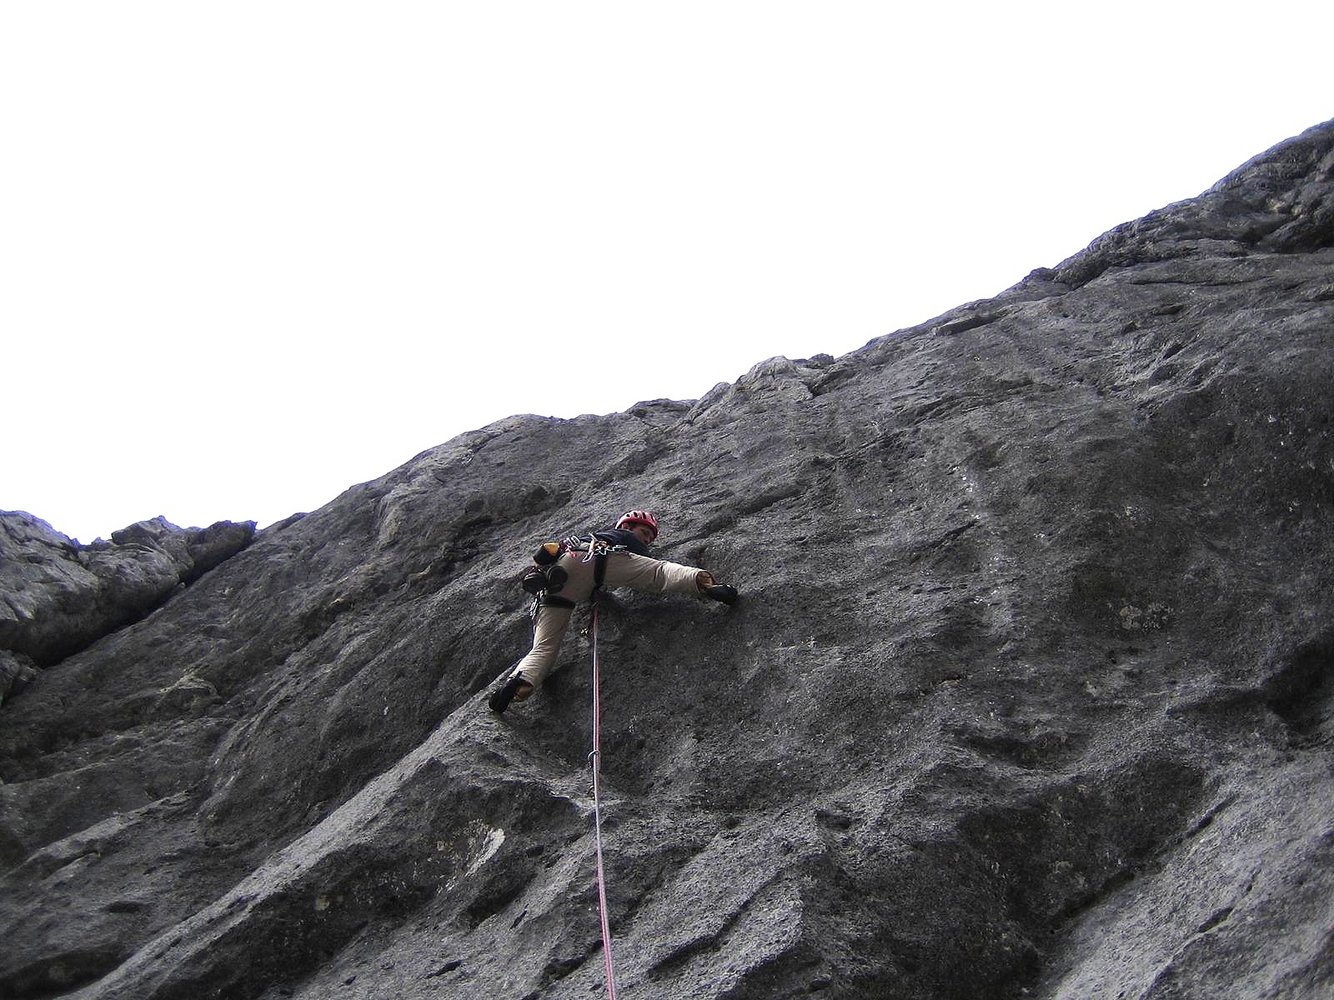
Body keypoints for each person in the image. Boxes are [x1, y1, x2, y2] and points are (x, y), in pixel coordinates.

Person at [488, 509, 737, 713]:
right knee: (659, 572)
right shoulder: (623, 536)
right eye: (644, 533)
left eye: (649, 539)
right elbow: (646, 566)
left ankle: (518, 684)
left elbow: (544, 552)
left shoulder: (580, 537)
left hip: (563, 577)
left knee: (544, 646)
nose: (646, 541)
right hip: (600, 557)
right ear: (627, 526)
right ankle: (705, 584)